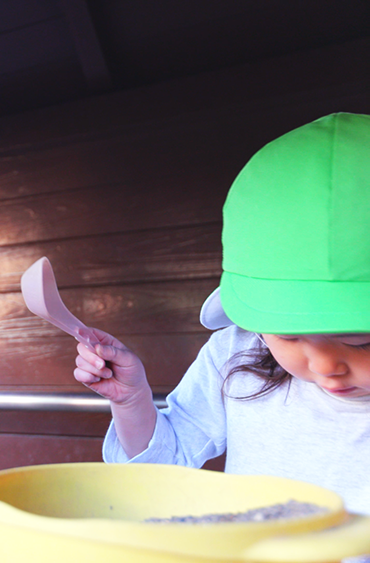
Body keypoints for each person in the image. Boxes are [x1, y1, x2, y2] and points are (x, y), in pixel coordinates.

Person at [73, 113, 370, 514]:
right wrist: (131, 401)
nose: (325, 365)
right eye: (287, 336)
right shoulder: (236, 352)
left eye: (360, 342)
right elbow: (162, 467)